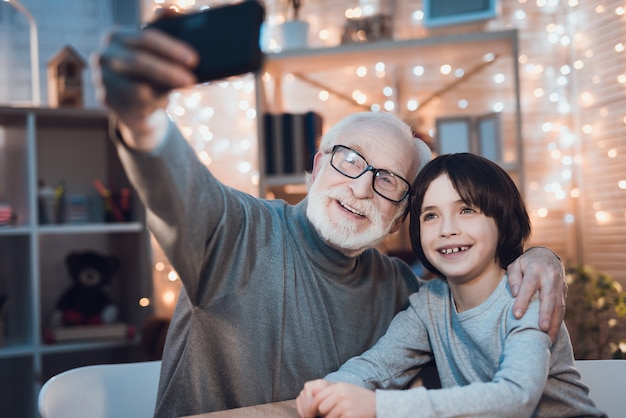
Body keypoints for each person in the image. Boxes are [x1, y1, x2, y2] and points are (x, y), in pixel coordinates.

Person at [90, 26, 567, 417]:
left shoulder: (403, 291)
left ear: (402, 216)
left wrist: (538, 258)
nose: (360, 187)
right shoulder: (235, 231)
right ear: (317, 168)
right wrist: (143, 120)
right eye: (349, 161)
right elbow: (179, 191)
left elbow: (482, 365)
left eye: (387, 181)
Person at [296, 153, 604, 418]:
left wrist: (380, 407)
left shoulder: (525, 294)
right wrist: (331, 390)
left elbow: (515, 398)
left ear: (502, 220)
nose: (447, 229)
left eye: (466, 210)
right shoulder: (429, 304)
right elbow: (378, 366)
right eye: (431, 216)